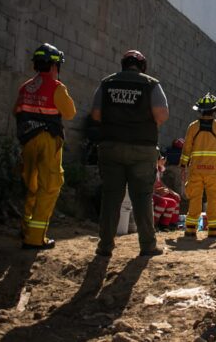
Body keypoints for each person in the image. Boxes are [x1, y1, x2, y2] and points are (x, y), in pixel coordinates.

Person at [91, 50, 168, 257]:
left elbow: (96, 114)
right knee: (142, 197)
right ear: (142, 66)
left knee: (111, 197)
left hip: (111, 147)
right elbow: (162, 114)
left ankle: (105, 246)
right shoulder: (151, 84)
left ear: (123, 65)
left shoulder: (107, 83)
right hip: (142, 149)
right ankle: (147, 245)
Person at [14, 43, 76, 249]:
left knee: (31, 185)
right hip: (48, 140)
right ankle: (35, 238)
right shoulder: (57, 87)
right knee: (50, 186)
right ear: (54, 65)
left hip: (28, 140)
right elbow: (69, 113)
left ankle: (26, 228)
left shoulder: (25, 87)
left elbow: (17, 111)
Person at [180, 93, 216, 239]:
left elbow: (186, 149)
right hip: (213, 171)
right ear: (215, 111)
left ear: (200, 111)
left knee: (195, 198)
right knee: (213, 199)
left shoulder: (193, 127)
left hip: (196, 170)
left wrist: (183, 166)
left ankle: (190, 229)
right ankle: (214, 230)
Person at [162, 138, 185, 209]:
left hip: (168, 167)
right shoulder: (182, 152)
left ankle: (177, 199)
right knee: (178, 185)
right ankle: (179, 200)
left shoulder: (169, 150)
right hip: (177, 168)